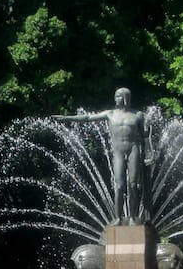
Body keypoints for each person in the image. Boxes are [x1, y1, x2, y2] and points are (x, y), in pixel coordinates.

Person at [52, 87, 152, 224]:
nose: (115, 99)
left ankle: (133, 218)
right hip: (118, 152)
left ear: (125, 98)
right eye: (115, 96)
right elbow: (88, 118)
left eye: (118, 96)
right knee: (119, 186)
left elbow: (145, 137)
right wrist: (67, 118)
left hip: (133, 149)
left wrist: (148, 153)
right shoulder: (110, 114)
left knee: (133, 185)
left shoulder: (138, 115)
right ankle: (117, 218)